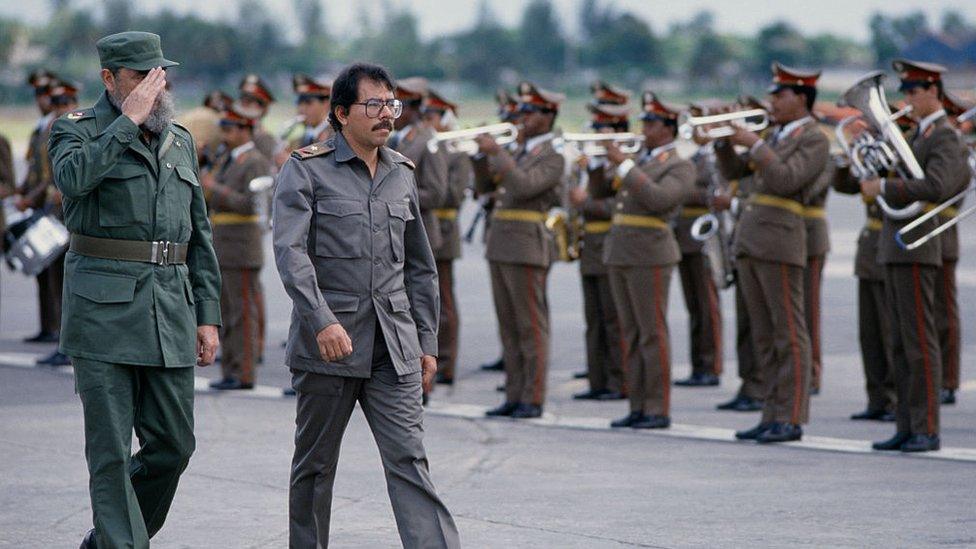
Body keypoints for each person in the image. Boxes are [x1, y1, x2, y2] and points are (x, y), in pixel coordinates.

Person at [273, 62, 459, 548]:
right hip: (329, 347)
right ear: (340, 113)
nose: (386, 115)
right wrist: (321, 320)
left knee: (410, 461)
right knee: (314, 468)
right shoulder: (306, 169)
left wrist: (427, 342)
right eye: (373, 105)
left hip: (392, 348)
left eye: (390, 105)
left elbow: (420, 267)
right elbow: (290, 254)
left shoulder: (401, 173)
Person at [47, 31, 221, 548]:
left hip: (169, 309)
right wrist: (126, 123)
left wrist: (207, 314)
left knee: (173, 445)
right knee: (109, 452)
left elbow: (199, 233)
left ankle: (108, 541)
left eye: (159, 73)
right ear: (108, 79)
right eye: (140, 76)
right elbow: (74, 181)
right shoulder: (73, 131)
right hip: (102, 315)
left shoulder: (179, 139)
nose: (154, 85)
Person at [715, 63, 829, 444]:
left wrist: (757, 144)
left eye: (779, 95)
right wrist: (721, 139)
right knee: (764, 334)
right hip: (752, 239)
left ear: (801, 98)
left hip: (781, 239)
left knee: (788, 332)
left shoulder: (814, 138)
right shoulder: (775, 135)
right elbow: (736, 173)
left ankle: (791, 415)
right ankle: (770, 412)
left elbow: (786, 180)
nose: (772, 102)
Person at [861, 59, 969, 452]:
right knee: (900, 341)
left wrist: (886, 188)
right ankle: (906, 425)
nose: (905, 99)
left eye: (912, 91)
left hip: (920, 243)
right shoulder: (917, 135)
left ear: (932, 92)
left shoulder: (945, 137)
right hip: (896, 243)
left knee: (921, 341)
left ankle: (926, 428)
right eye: (903, 91)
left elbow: (939, 185)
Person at [603, 92, 696, 429]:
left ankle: (657, 407)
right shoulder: (641, 159)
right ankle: (638, 404)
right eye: (644, 121)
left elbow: (659, 199)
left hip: (651, 253)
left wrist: (624, 165)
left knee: (651, 332)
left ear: (669, 128)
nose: (644, 127)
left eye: (651, 122)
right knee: (631, 332)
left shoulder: (680, 164)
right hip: (623, 251)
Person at [478, 81, 565, 419]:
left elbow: (524, 186)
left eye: (530, 112)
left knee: (531, 326)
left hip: (527, 245)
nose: (523, 117)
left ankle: (533, 396)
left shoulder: (552, 156)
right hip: (501, 243)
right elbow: (488, 188)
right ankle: (514, 394)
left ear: (548, 116)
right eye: (523, 111)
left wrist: (497, 154)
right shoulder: (517, 151)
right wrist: (480, 159)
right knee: (509, 327)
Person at [203, 102, 272, 390]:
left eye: (230, 129)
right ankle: (230, 370)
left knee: (243, 314)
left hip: (241, 247)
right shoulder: (228, 158)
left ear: (246, 130)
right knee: (228, 312)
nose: (225, 134)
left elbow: (251, 204)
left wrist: (214, 188)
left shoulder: (254, 160)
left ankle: (244, 373)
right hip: (225, 245)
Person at [568, 84, 628, 401]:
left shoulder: (624, 162)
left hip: (610, 241)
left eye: (603, 125)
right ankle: (598, 379)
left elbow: (616, 205)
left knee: (613, 318)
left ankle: (619, 382)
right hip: (591, 242)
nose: (597, 130)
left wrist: (584, 203)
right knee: (594, 320)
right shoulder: (596, 162)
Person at [831, 131, 896, 421]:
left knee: (890, 330)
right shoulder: (876, 153)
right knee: (870, 333)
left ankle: (895, 398)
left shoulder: (902, 153)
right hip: (870, 247)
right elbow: (844, 186)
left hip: (892, 244)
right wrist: (848, 160)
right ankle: (877, 397)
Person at [674, 99, 725, 388]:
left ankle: (712, 365)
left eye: (699, 122)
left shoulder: (716, 155)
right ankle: (698, 365)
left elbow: (715, 192)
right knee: (694, 305)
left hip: (705, 235)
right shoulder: (695, 156)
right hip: (686, 235)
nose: (693, 129)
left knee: (708, 305)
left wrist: (678, 189)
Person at [422, 88, 472, 387]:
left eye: (432, 116)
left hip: (444, 230)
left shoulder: (455, 150)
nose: (427, 122)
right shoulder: (431, 146)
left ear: (445, 117)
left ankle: (449, 362)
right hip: (427, 229)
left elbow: (453, 194)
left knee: (444, 301)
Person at [34, 78, 81, 367]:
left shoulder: (80, 129)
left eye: (65, 104)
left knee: (68, 280)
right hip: (54, 211)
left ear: (74, 105)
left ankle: (70, 344)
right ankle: (63, 340)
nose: (60, 109)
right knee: (56, 279)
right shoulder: (52, 129)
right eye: (56, 104)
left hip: (69, 212)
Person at [18, 69, 60, 344]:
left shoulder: (58, 126)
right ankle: (48, 327)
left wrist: (30, 198)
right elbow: (34, 168)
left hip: (53, 206)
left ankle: (57, 330)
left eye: (45, 94)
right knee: (43, 273)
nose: (40, 100)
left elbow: (49, 177)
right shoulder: (40, 127)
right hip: (41, 205)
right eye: (38, 94)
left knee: (57, 274)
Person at [935, 89, 971, 405]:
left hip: (942, 232)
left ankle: (948, 378)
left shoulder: (955, 148)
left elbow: (942, 189)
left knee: (945, 311)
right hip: (924, 233)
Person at [389, 77, 448, 256]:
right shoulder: (394, 139)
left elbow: (436, 194)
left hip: (420, 234)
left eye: (398, 107)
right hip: (398, 233)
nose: (391, 113)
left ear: (413, 109)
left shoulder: (428, 140)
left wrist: (393, 194)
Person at [274, 73, 333, 167]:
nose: (301, 109)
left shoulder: (334, 134)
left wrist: (292, 161)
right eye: (299, 103)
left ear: (326, 103)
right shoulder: (300, 139)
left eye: (308, 103)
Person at [237, 74, 278, 161]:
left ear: (263, 108)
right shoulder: (233, 131)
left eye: (250, 100)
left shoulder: (264, 138)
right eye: (243, 97)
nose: (244, 104)